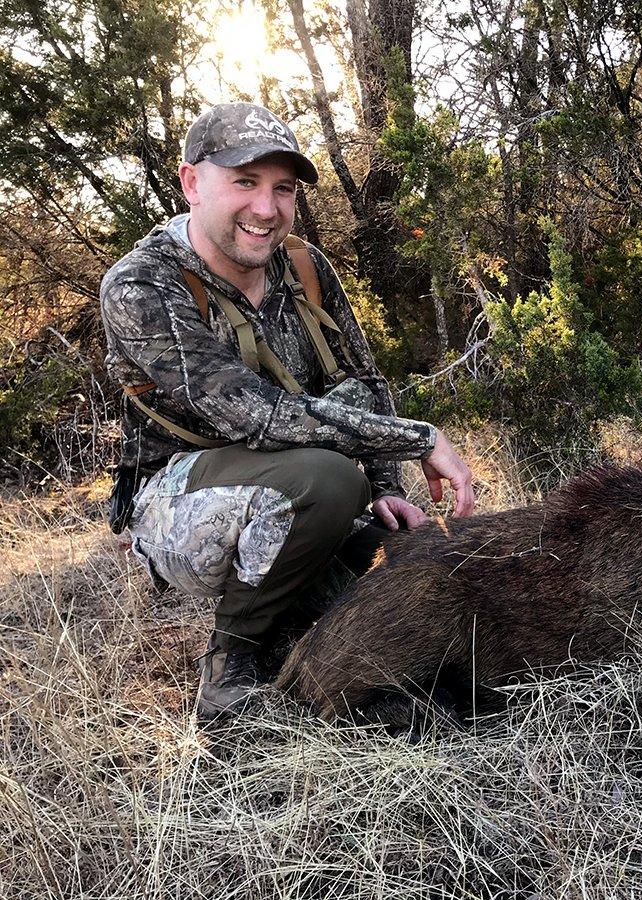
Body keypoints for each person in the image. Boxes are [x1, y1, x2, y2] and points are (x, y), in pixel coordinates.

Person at [100, 102, 475, 719]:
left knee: (403, 582)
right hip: (180, 500)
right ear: (192, 183)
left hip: (293, 483)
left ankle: (309, 599)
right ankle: (231, 663)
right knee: (326, 482)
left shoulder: (302, 265)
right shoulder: (143, 285)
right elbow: (253, 414)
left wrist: (384, 486)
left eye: (283, 189)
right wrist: (417, 438)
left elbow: (361, 379)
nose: (266, 209)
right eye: (244, 182)